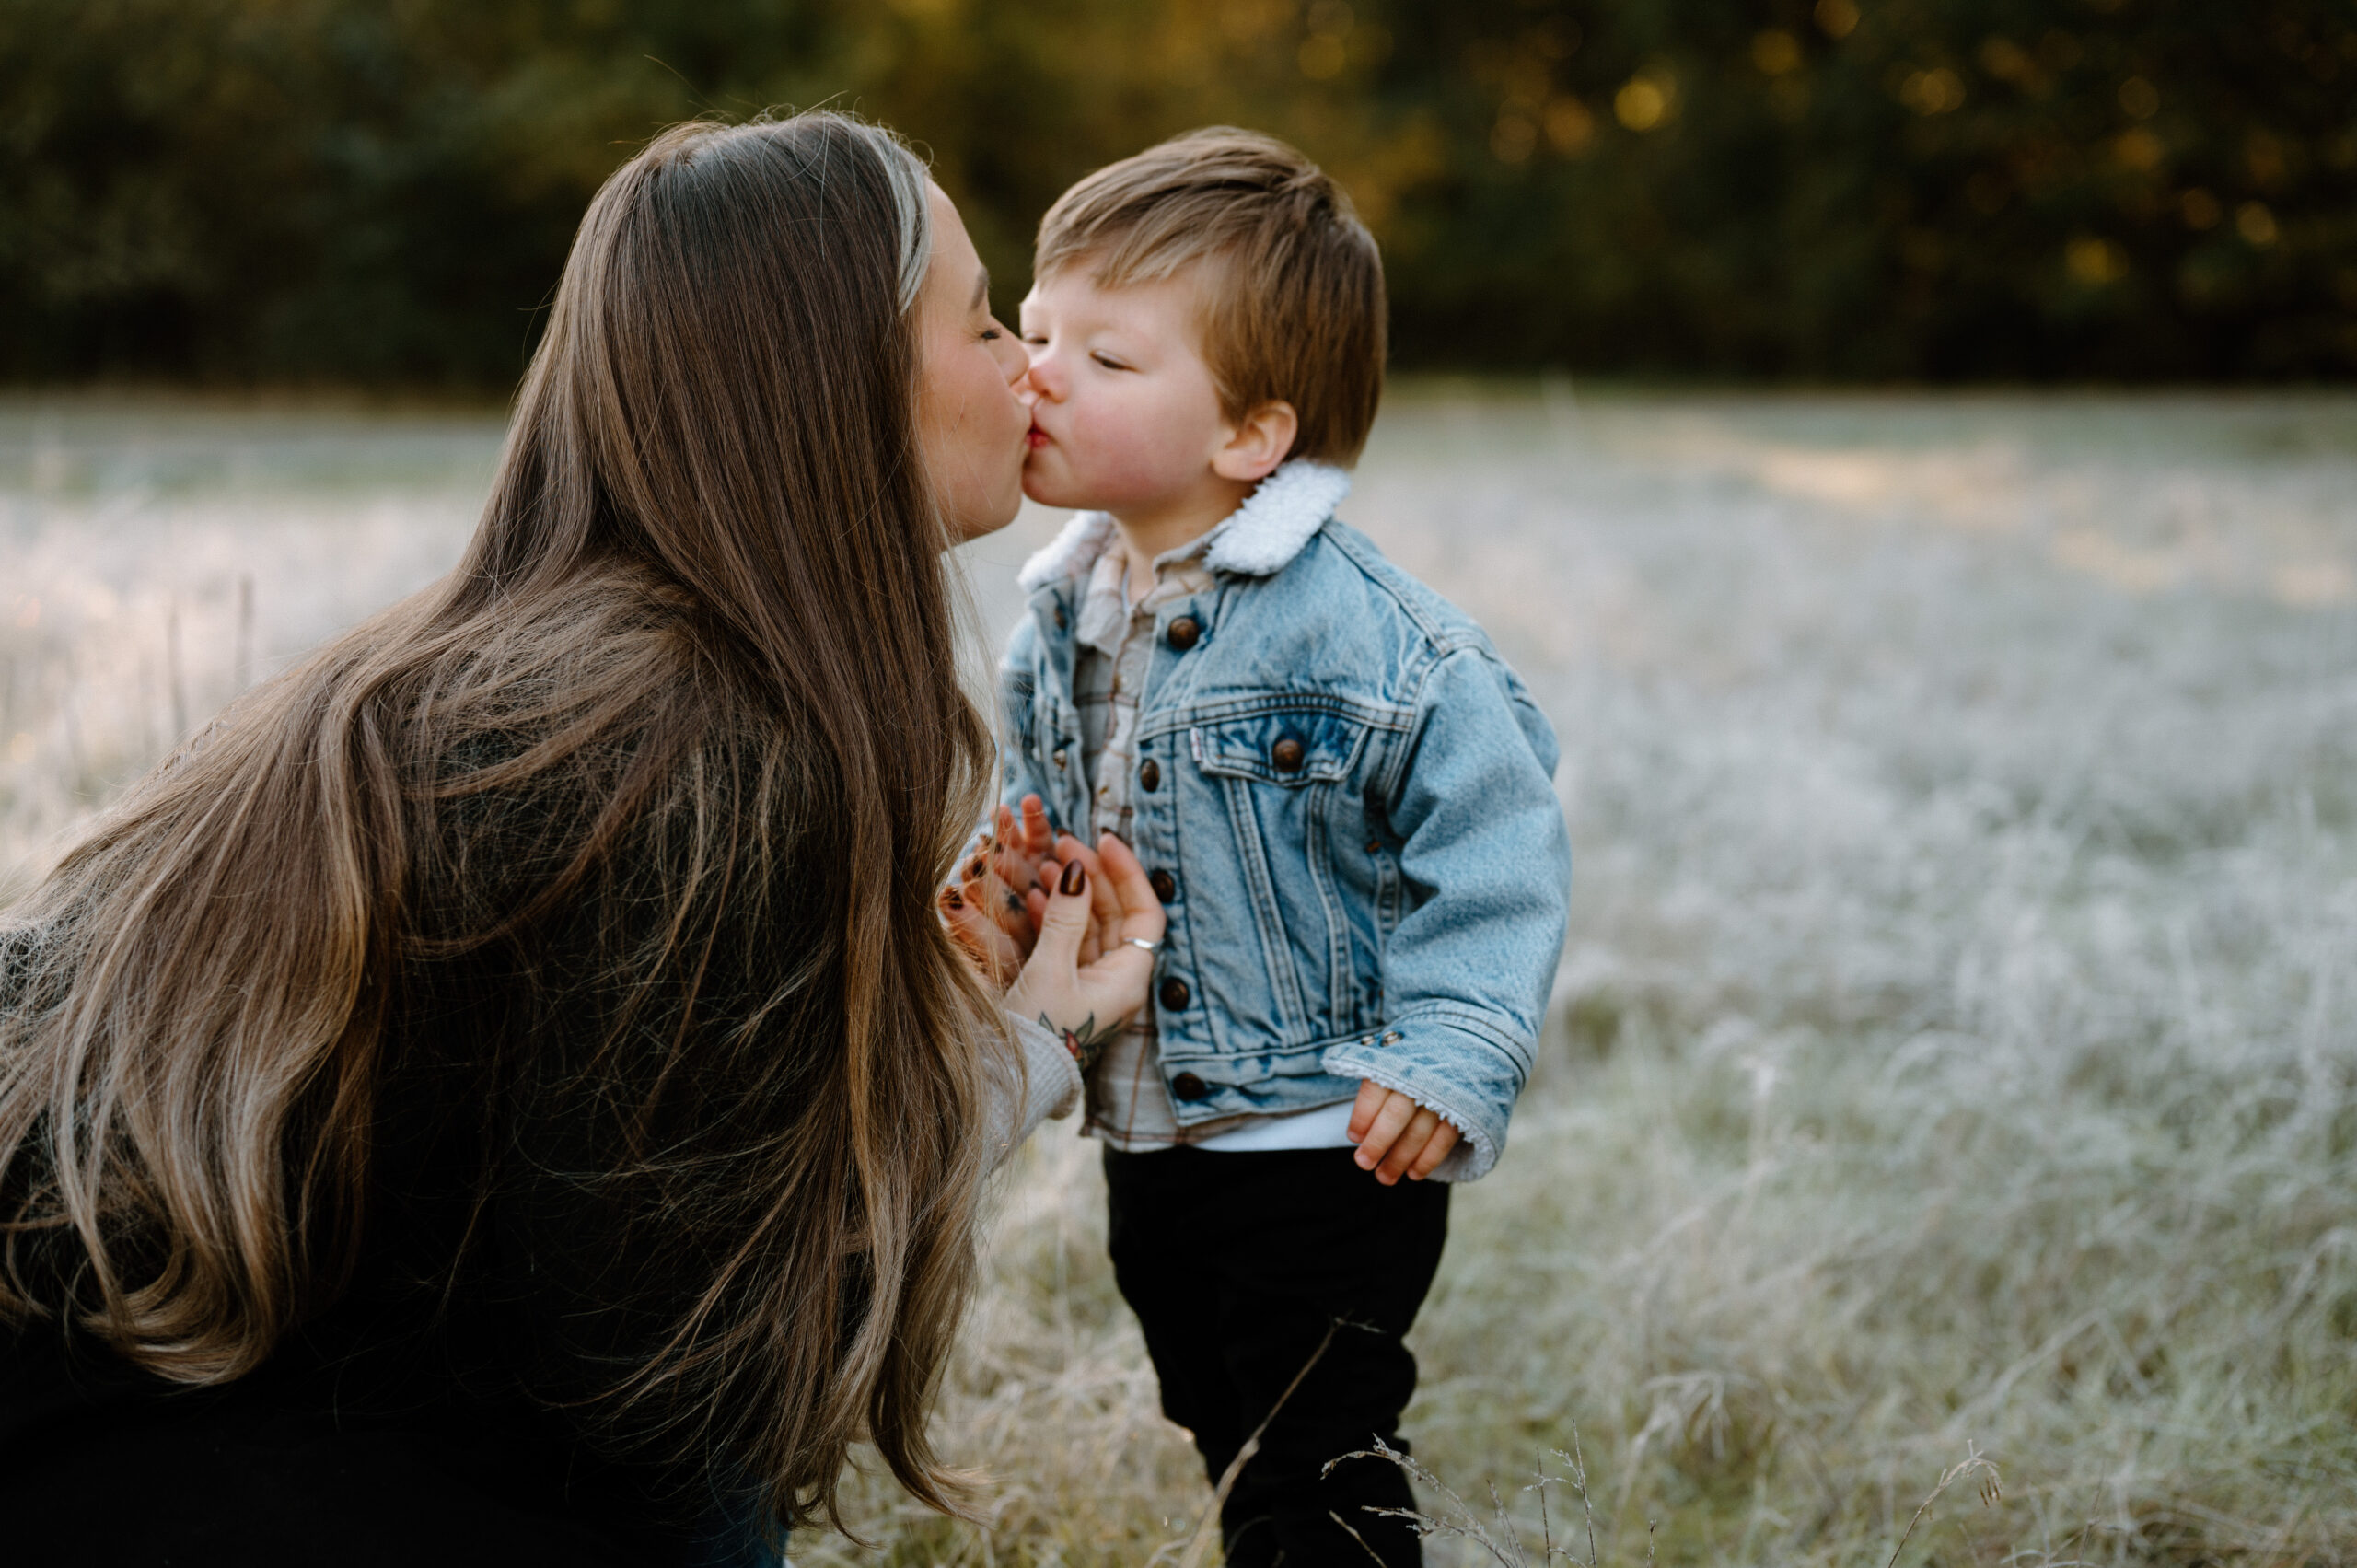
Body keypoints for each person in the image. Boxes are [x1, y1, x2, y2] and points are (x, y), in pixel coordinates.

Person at [0, 111, 1163, 1567]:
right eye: (986, 321)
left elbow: (585, 1218)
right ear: (836, 381)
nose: (1024, 367)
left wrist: (891, 1034)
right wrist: (1024, 1054)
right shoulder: (703, 745)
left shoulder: (572, 661)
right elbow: (673, 1377)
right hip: (145, 1443)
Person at [970, 128, 1573, 1566]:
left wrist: (1451, 1050)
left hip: (1322, 1133)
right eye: (1037, 330)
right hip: (1148, 1123)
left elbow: (1496, 846)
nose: (1039, 372)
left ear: (1251, 434)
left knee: (1317, 1448)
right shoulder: (1059, 614)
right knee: (1214, 1408)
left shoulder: (1372, 635)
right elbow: (1042, 820)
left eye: (1108, 360)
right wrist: (998, 901)